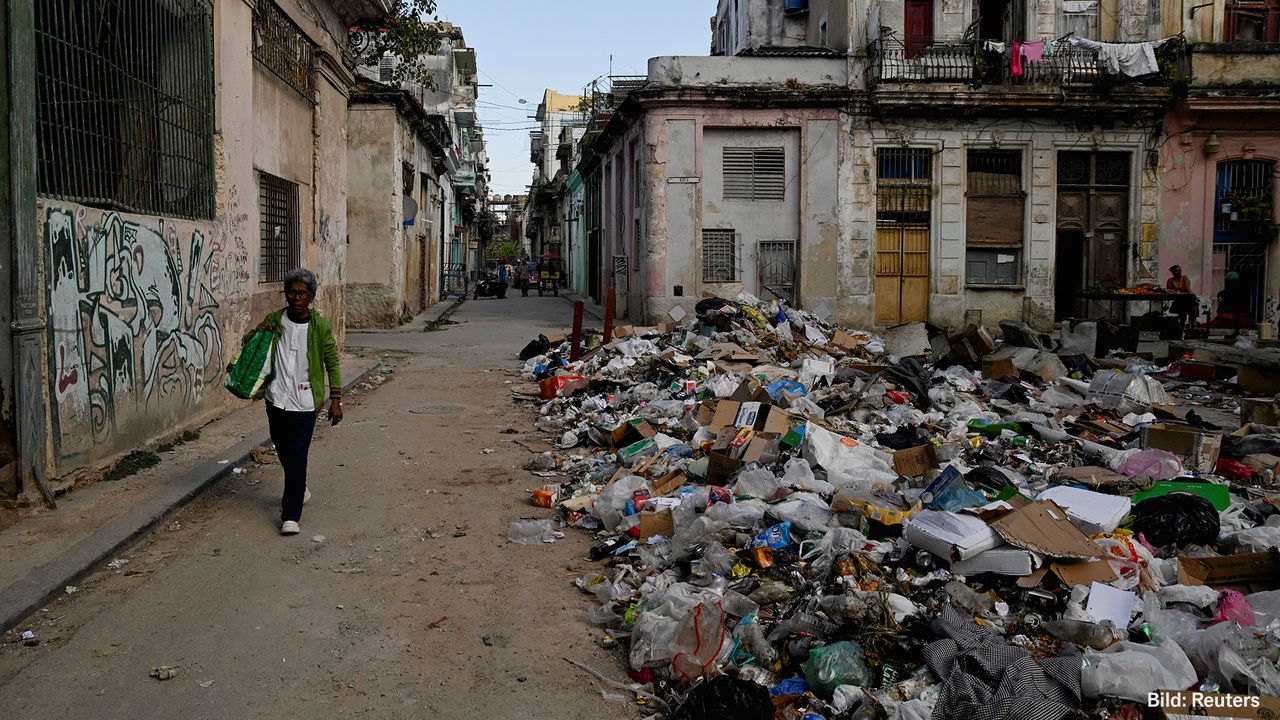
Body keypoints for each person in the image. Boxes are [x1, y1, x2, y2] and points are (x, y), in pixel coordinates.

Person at [254, 267, 343, 535]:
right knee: (282, 448)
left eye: (302, 293)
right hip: (276, 398)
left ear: (311, 297)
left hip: (305, 402)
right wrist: (259, 334)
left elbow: (332, 362)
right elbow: (254, 344)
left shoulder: (321, 327)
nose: (296, 297)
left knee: (298, 455)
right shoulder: (275, 319)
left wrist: (335, 399)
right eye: (291, 292)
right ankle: (299, 486)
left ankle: (290, 515)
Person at [1166, 265, 1195, 331]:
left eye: (1180, 270)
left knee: (1191, 307)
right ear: (1173, 272)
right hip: (1177, 301)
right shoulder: (1170, 280)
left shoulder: (1185, 278)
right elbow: (1169, 291)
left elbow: (1188, 289)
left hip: (1186, 300)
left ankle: (1190, 327)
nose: (1179, 272)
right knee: (1183, 309)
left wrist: (1191, 295)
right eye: (1177, 270)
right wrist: (1176, 293)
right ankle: (1181, 326)